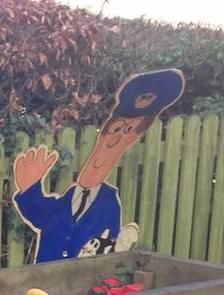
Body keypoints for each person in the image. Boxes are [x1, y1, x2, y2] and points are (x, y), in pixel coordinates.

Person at [12, 68, 184, 262]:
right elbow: (43, 217)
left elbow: (107, 249)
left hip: (82, 285)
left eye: (129, 131)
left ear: (135, 137)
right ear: (105, 131)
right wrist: (29, 190)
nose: (115, 140)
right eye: (117, 129)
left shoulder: (109, 204)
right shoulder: (66, 201)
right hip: (42, 285)